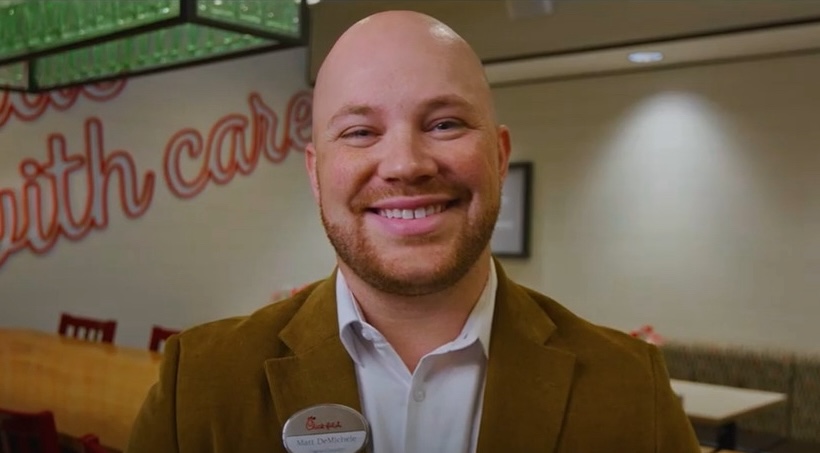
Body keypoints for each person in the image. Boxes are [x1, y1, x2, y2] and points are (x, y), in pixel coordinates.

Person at [126, 10, 701, 453]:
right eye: (358, 132)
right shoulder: (197, 384)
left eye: (445, 123)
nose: (405, 163)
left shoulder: (631, 388)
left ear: (499, 157)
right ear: (315, 172)